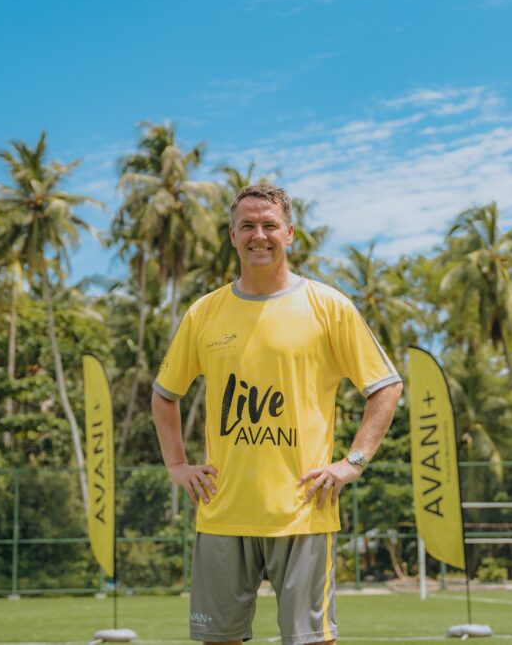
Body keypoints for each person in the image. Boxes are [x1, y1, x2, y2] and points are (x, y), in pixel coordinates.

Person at [151, 184, 403, 645]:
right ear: (232, 235)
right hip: (222, 511)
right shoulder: (204, 313)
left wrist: (354, 462)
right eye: (247, 225)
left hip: (303, 511)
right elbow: (164, 394)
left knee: (311, 642)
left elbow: (385, 386)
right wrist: (177, 465)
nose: (258, 235)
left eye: (269, 225)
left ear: (289, 234)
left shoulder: (328, 307)